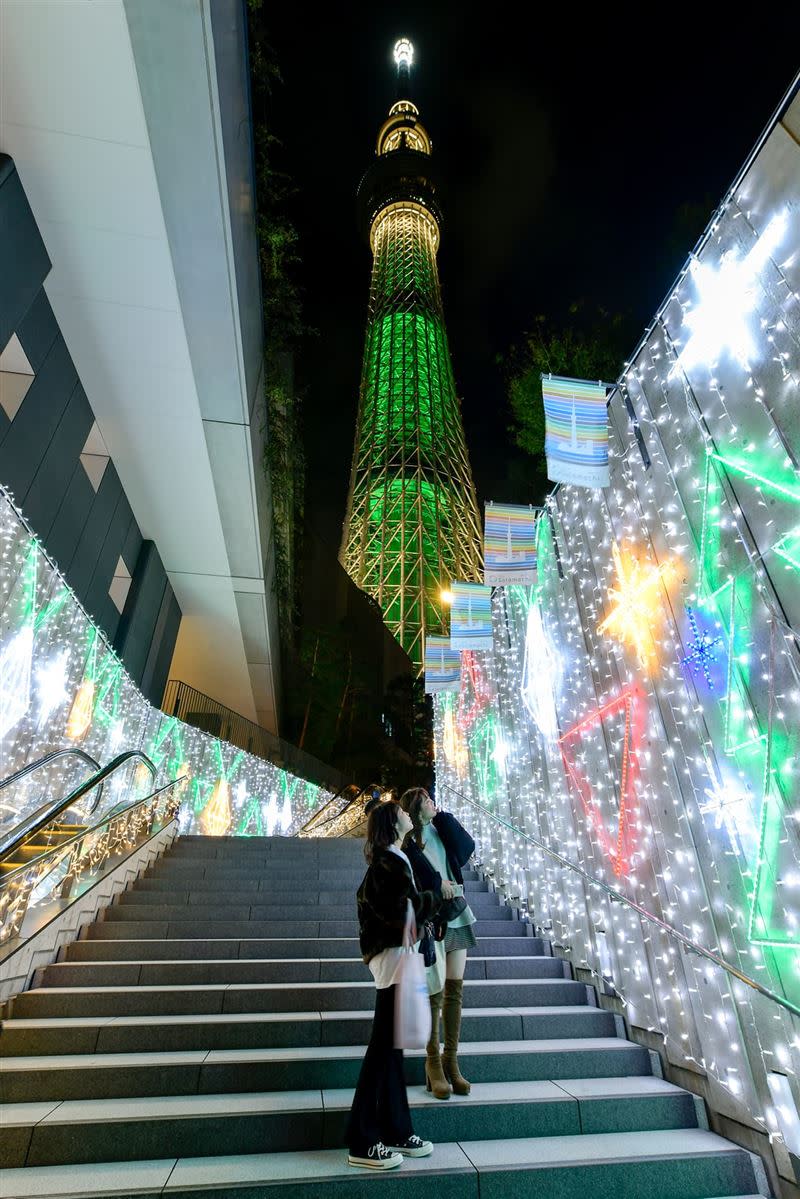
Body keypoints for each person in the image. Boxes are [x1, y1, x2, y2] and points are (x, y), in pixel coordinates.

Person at [346, 800, 437, 1169]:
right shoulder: (386, 862)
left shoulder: (396, 856)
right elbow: (402, 910)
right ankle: (362, 1140)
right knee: (383, 1046)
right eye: (399, 809)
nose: (405, 812)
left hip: (401, 954)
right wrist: (434, 899)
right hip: (393, 957)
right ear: (391, 822)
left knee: (393, 1046)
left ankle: (396, 1129)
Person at [400, 787, 476, 1100]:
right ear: (417, 808)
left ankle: (451, 1061)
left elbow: (467, 847)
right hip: (431, 921)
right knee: (435, 991)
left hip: (457, 913)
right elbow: (413, 880)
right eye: (428, 801)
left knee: (454, 990)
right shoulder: (407, 843)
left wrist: (444, 817)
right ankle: (433, 1063)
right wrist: (436, 884)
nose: (434, 803)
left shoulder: (442, 826)